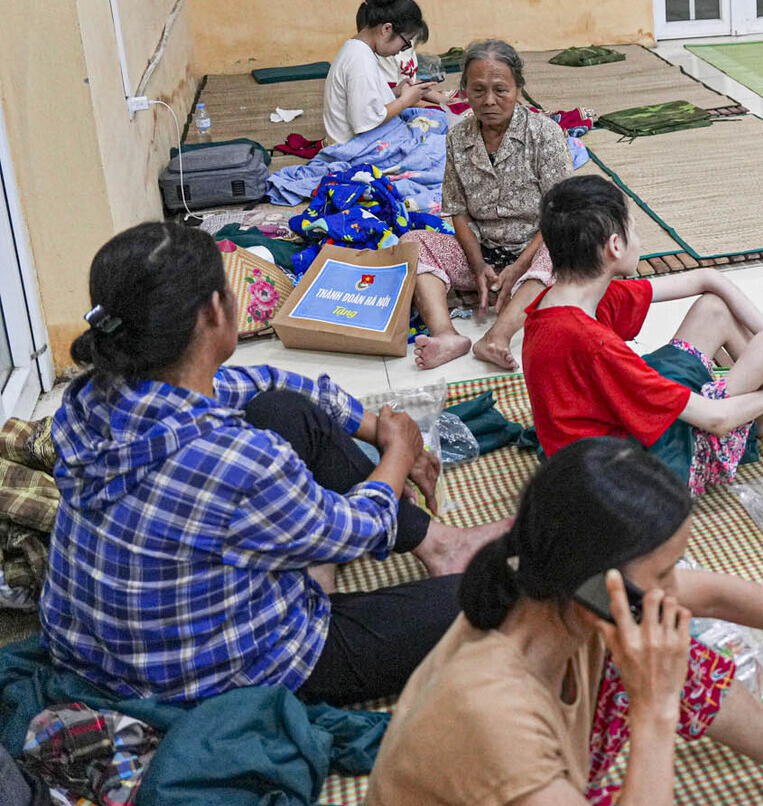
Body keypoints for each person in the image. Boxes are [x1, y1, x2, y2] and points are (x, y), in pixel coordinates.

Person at [40, 222, 506, 705]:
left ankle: (441, 546)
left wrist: (373, 426)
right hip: (213, 678)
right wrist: (398, 452)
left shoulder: (85, 398)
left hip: (98, 652)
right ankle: (337, 580)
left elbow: (263, 382)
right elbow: (357, 527)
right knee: (497, 595)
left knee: (283, 409)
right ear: (215, 313)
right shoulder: (236, 459)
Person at [366, 439, 763, 806]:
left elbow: (715, 597)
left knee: (669, 644)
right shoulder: (490, 709)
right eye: (661, 572)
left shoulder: (550, 589)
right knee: (660, 658)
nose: (675, 586)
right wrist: (654, 709)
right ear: (593, 577)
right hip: (512, 772)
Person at [522, 176, 763, 495]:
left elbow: (707, 279)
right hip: (627, 472)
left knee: (719, 312)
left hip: (601, 436)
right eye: (634, 228)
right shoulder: (591, 342)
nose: (640, 238)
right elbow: (717, 420)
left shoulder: (561, 303)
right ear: (615, 246)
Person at [413, 40, 574, 373]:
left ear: (518, 89)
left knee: (568, 245)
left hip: (536, 256)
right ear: (464, 92)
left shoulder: (544, 134)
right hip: (486, 257)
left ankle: (496, 337)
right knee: (412, 244)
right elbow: (458, 209)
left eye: (501, 90)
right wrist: (476, 266)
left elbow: (561, 213)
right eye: (478, 90)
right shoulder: (458, 137)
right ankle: (446, 334)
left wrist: (519, 266)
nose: (488, 101)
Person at [324, 0, 439, 145]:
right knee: (439, 142)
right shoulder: (359, 60)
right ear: (387, 29)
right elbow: (366, 122)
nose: (402, 49)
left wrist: (395, 93)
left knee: (438, 121)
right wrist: (405, 100)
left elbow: (364, 102)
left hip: (363, 141)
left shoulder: (359, 50)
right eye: (405, 42)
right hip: (357, 149)